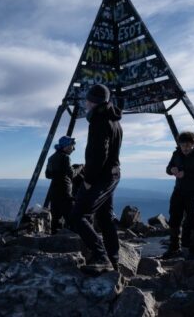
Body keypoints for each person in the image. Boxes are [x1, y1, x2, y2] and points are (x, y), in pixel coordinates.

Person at [69, 84, 123, 273]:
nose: (86, 104)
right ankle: (114, 259)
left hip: (101, 176)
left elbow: (99, 153)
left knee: (78, 215)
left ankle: (101, 256)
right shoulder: (115, 120)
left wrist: (89, 179)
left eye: (88, 100)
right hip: (113, 174)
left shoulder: (99, 120)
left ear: (93, 101)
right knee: (105, 217)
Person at [162, 131, 194, 259]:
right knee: (174, 218)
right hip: (178, 191)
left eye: (188, 145)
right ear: (180, 145)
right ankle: (174, 248)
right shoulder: (176, 154)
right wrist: (171, 170)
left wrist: (186, 174)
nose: (186, 148)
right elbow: (168, 168)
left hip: (193, 192)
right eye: (183, 145)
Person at [45, 136, 83, 233]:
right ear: (65, 146)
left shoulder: (51, 158)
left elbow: (48, 175)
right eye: (72, 146)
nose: (73, 149)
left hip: (54, 193)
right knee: (71, 218)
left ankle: (54, 241)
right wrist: (80, 168)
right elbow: (72, 174)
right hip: (65, 193)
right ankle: (73, 242)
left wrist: (59, 172)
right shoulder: (65, 157)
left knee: (55, 220)